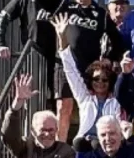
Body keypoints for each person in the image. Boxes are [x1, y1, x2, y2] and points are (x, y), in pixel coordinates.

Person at [55, 0, 125, 142]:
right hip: (66, 65)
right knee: (64, 107)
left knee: (92, 107)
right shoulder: (64, 7)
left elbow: (117, 40)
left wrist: (110, 58)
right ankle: (59, 149)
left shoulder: (100, 14)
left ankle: (95, 140)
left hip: (90, 70)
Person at [5, 0, 66, 96]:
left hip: (57, 60)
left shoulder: (65, 3)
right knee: (32, 97)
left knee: (55, 99)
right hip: (34, 59)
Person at [52, 14, 123, 145]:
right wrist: (62, 38)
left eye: (104, 79)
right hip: (84, 142)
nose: (100, 82)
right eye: (96, 79)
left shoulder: (116, 100)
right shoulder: (85, 97)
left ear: (110, 81)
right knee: (79, 144)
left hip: (107, 144)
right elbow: (70, 70)